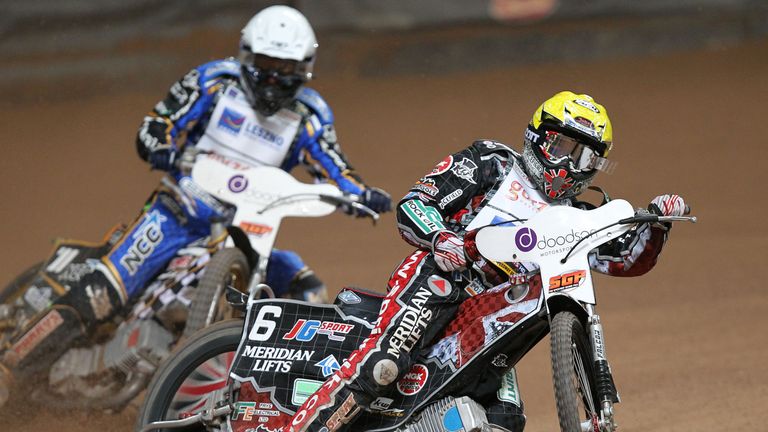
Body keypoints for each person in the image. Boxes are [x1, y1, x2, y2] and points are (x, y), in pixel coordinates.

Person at [0, 5, 391, 406]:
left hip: (247, 229)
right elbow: (159, 123)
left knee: (305, 288)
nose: (274, 77)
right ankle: (12, 367)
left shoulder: (309, 115)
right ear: (247, 55)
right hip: (177, 214)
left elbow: (335, 166)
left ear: (305, 67)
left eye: (285, 68)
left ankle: (292, 402)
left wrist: (361, 194)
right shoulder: (214, 82)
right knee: (106, 291)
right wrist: (159, 145)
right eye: (266, 64)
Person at [286, 91, 687, 431]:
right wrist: (441, 238)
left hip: (495, 315)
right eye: (561, 147)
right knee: (382, 367)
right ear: (536, 137)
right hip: (443, 279)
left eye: (582, 158)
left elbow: (625, 259)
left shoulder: (577, 218)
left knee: (505, 419)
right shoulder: (491, 161)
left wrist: (658, 225)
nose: (567, 165)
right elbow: (415, 203)